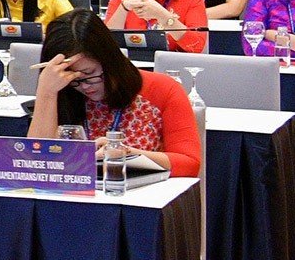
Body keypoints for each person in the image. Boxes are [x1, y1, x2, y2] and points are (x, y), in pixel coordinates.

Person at [27, 11, 201, 176]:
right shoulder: (61, 90)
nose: (85, 86)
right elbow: (36, 161)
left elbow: (190, 163)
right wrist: (46, 92)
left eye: (90, 74)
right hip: (71, 196)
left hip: (139, 197)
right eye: (74, 79)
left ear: (109, 59)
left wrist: (129, 154)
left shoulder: (162, 89)